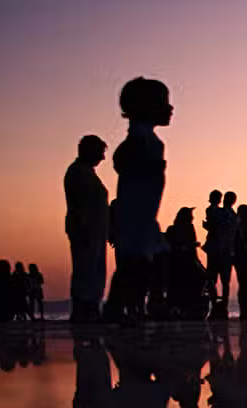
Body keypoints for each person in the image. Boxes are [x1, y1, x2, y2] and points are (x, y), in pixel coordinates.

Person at [104, 77, 173, 324]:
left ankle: (147, 303)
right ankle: (120, 307)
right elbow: (121, 158)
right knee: (134, 263)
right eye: (163, 103)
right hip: (135, 214)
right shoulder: (140, 138)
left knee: (153, 259)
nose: (170, 108)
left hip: (145, 214)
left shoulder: (149, 139)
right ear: (147, 107)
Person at [64, 135, 110, 322]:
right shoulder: (78, 173)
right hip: (86, 231)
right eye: (100, 153)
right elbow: (79, 204)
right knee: (86, 270)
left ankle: (91, 309)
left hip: (95, 231)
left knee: (94, 271)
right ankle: (84, 310)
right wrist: (82, 229)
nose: (102, 158)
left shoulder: (86, 173)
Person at [164, 207, 207, 319]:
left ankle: (190, 306)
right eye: (190, 216)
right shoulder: (172, 229)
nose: (192, 218)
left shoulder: (190, 228)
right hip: (177, 262)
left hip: (188, 261)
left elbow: (193, 251)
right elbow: (171, 247)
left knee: (200, 277)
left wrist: (198, 262)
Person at [204, 192, 239, 317]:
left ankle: (219, 306)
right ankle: (220, 307)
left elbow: (214, 225)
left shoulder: (226, 214)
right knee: (220, 281)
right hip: (224, 252)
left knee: (216, 280)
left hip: (220, 252)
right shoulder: (233, 216)